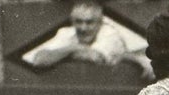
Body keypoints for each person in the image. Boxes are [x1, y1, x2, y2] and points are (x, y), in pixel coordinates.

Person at [24, 0, 153, 79]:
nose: (83, 28)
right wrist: (74, 48)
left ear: (99, 23)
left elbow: (94, 57)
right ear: (72, 22)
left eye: (89, 22)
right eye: (78, 22)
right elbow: (39, 59)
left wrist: (61, 54)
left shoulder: (109, 33)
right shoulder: (66, 33)